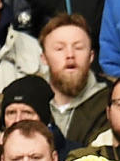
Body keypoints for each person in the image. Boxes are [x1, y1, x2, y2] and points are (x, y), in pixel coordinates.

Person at [40, 13, 110, 147]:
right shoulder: (30, 104)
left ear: (91, 56)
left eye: (78, 47)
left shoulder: (110, 103)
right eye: (59, 48)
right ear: (44, 58)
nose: (70, 55)